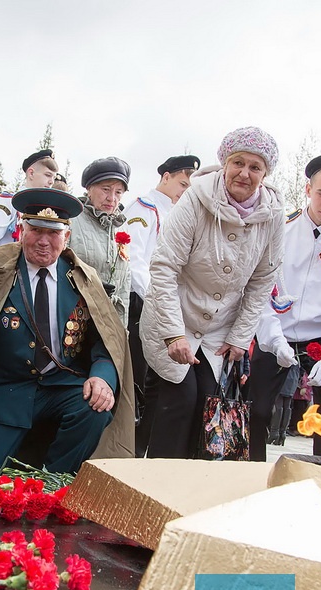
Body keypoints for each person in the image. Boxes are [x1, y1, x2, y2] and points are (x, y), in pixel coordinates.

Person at [0, 188, 135, 474]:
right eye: (36, 230)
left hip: (60, 388)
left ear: (67, 237)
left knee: (93, 409)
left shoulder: (82, 279)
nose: (44, 241)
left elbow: (107, 341)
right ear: (21, 230)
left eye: (53, 233)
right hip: (2, 395)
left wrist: (102, 377)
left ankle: (56, 483)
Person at [140, 127, 284, 458]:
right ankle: (156, 487)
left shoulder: (273, 214)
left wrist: (240, 335)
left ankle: (194, 491)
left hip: (220, 328)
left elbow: (263, 279)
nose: (244, 173)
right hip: (175, 314)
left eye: (255, 167)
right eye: (238, 163)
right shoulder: (196, 198)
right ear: (224, 163)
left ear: (265, 174)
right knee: (179, 400)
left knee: (211, 407)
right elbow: (164, 267)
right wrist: (174, 333)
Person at [250, 152, 321, 461]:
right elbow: (262, 287)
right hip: (278, 329)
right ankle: (251, 471)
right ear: (307, 190)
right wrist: (273, 338)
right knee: (257, 409)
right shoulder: (280, 228)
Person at [124, 154, 199, 442]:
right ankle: (134, 444)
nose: (184, 191)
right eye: (181, 183)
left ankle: (147, 444)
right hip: (144, 304)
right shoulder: (145, 208)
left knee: (159, 385)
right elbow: (134, 260)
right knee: (141, 384)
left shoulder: (180, 212)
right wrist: (158, 298)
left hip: (172, 312)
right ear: (165, 177)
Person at [71, 157, 132, 324]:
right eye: (106, 189)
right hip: (74, 321)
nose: (112, 198)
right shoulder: (72, 221)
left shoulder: (121, 228)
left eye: (118, 192)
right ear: (89, 189)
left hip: (110, 323)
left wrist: (122, 330)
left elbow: (125, 284)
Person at [0, 149, 58, 251]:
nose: (51, 182)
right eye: (48, 175)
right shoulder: (9, 201)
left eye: (53, 177)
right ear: (31, 173)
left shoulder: (42, 209)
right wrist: (10, 264)